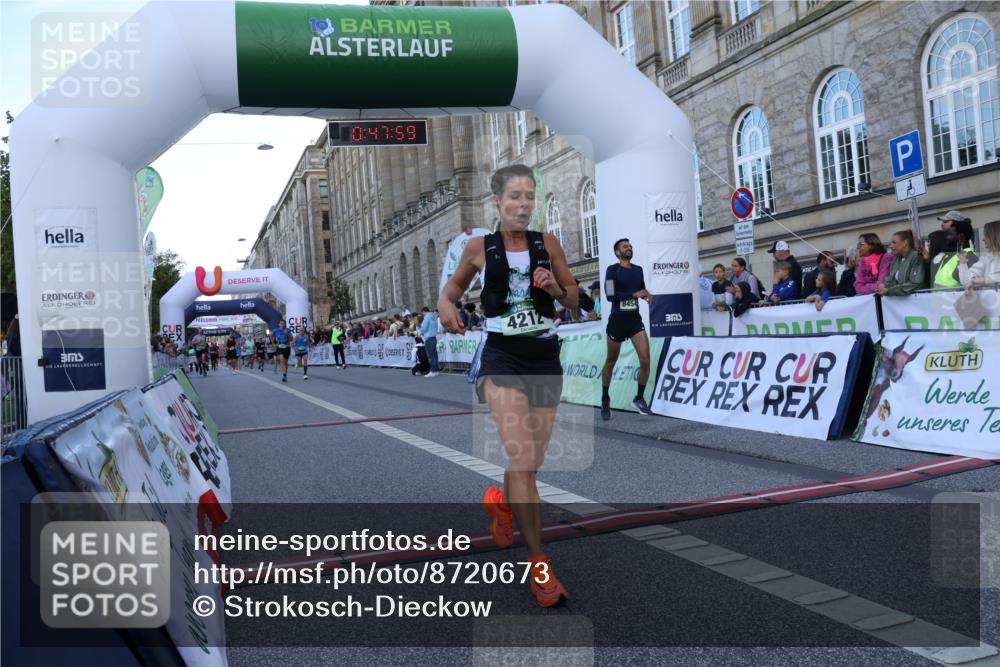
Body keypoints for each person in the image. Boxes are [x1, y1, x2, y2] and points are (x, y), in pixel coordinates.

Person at [437, 163, 576, 608]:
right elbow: (451, 291)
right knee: (522, 456)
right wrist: (445, 308)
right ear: (497, 202)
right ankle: (540, 564)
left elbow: (574, 296)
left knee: (530, 466)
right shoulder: (479, 248)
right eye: (514, 197)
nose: (523, 205)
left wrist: (556, 287)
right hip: (501, 357)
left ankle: (501, 501)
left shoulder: (548, 244)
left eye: (529, 197)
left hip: (544, 357)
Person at [600, 238, 654, 421]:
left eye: (630, 246)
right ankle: (605, 398)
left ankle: (639, 398)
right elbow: (609, 296)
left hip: (634, 321)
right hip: (617, 321)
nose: (629, 248)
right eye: (625, 246)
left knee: (645, 360)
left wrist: (647, 295)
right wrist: (634, 294)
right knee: (611, 361)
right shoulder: (612, 270)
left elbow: (641, 290)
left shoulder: (638, 270)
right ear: (617, 252)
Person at [878, 230, 926, 296]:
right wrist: (883, 285)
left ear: (905, 243)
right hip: (901, 302)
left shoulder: (916, 257)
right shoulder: (896, 258)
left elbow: (916, 283)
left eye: (894, 243)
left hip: (916, 301)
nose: (891, 246)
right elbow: (890, 279)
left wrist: (889, 291)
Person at [933, 219, 978, 288]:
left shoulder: (970, 257)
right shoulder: (950, 255)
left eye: (950, 234)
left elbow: (970, 286)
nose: (947, 237)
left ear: (961, 236)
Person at [961, 220, 1000, 288]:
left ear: (995, 236)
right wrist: (962, 263)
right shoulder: (985, 259)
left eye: (986, 235)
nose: (983, 239)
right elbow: (966, 281)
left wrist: (983, 280)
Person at [420, 307, 441, 377]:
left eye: (422, 313)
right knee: (435, 355)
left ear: (423, 311)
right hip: (434, 337)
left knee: (430, 356)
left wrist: (421, 331)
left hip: (428, 337)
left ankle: (433, 371)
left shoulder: (427, 317)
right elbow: (437, 327)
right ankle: (437, 370)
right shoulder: (434, 316)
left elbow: (424, 328)